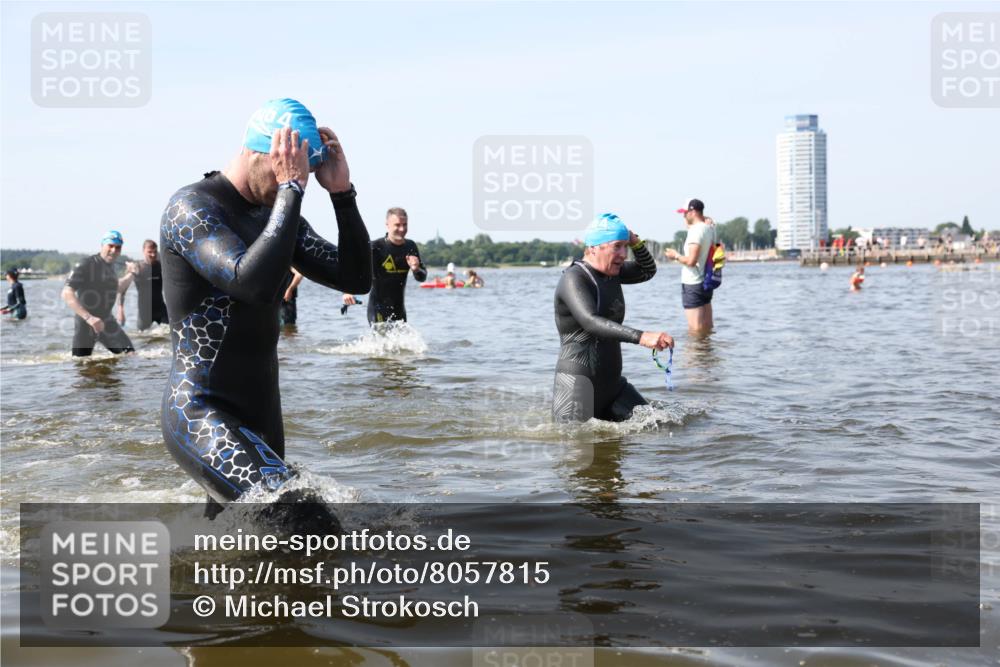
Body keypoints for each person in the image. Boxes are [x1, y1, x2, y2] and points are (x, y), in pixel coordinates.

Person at [159, 98, 371, 510]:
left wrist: (342, 194)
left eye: (297, 177)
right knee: (300, 513)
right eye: (283, 174)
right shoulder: (193, 208)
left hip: (261, 414)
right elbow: (249, 282)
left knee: (252, 549)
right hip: (201, 410)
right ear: (260, 154)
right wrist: (291, 189)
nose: (288, 186)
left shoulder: (272, 213)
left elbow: (355, 278)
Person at [552, 213, 673, 423]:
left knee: (661, 427)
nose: (624, 254)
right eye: (617, 246)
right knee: (580, 451)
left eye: (625, 247)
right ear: (593, 247)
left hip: (614, 388)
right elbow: (591, 321)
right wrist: (641, 336)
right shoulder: (574, 279)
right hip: (576, 392)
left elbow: (647, 270)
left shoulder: (612, 273)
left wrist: (636, 243)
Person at [342, 207, 426, 324]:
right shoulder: (376, 247)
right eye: (397, 225)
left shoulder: (410, 246)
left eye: (405, 225)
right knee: (381, 341)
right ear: (387, 225)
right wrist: (348, 291)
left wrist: (416, 269)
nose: (402, 229)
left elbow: (422, 277)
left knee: (400, 343)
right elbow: (355, 270)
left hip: (400, 310)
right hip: (377, 309)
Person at [61, 230, 136, 356]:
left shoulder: (111, 266)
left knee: (130, 355)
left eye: (117, 248)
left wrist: (132, 273)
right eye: (110, 246)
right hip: (86, 324)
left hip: (108, 322)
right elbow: (66, 293)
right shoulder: (87, 264)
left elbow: (117, 287)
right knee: (82, 365)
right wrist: (89, 318)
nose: (113, 250)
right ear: (102, 245)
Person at [664, 198, 716, 333]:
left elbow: (692, 261)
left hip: (693, 283)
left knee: (695, 330)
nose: (683, 216)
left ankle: (695, 354)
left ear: (692, 212)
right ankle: (706, 353)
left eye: (685, 213)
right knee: (707, 327)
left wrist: (675, 255)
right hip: (706, 281)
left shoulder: (696, 231)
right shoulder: (710, 229)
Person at [116, 239, 167, 330]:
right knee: (142, 338)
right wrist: (120, 309)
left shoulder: (160, 266)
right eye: (150, 252)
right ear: (143, 251)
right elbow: (123, 289)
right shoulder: (137, 268)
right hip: (144, 312)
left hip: (161, 310)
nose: (153, 254)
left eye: (155, 252)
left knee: (170, 334)